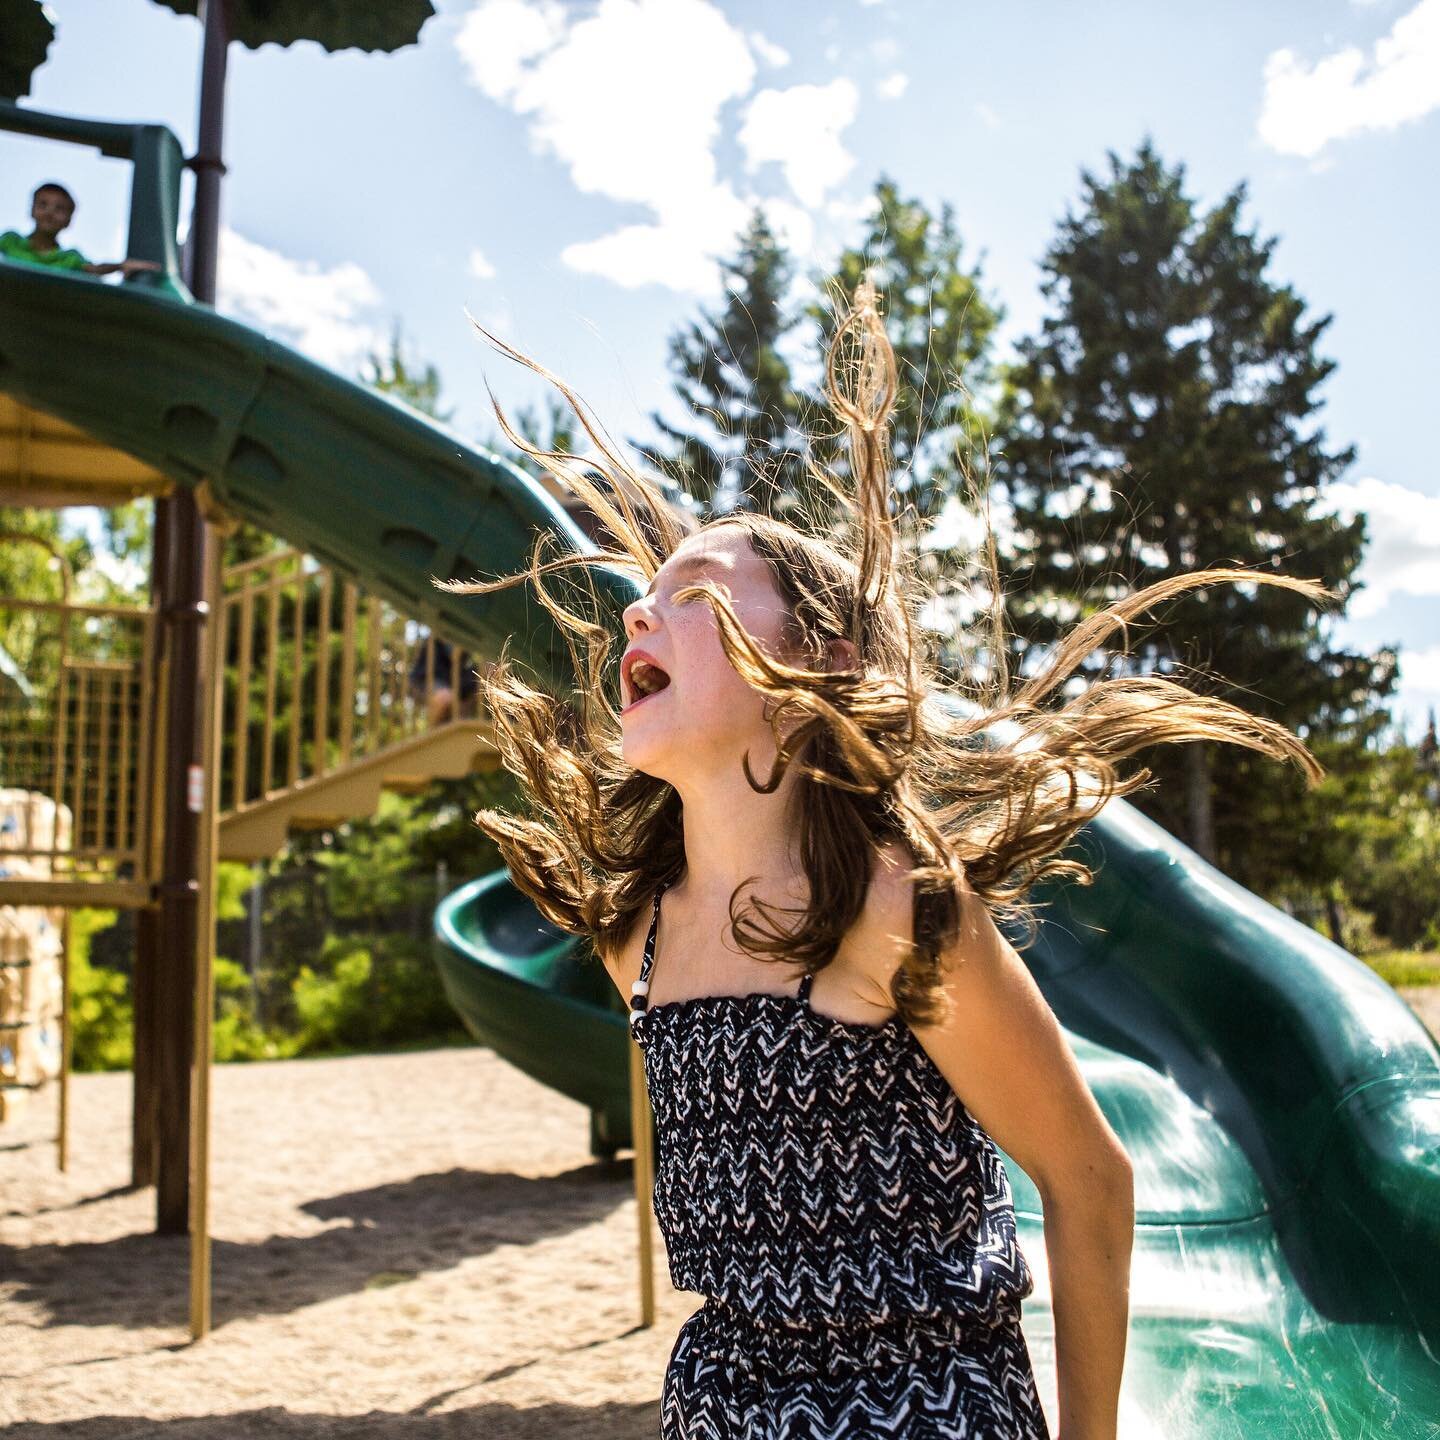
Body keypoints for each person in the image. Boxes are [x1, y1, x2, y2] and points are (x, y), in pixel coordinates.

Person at [436, 284, 1328, 1438]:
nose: (638, 620)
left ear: (822, 661)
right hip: (726, 1412)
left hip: (922, 1411)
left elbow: (1091, 1179)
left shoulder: (889, 910)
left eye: (693, 593)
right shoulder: (638, 939)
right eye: (642, 602)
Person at [0, 182, 160, 278]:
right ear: (32, 210)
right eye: (43, 205)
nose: (49, 213)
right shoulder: (10, 241)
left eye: (59, 209)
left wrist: (121, 266)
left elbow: (95, 269)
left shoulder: (70, 258)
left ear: (68, 221)